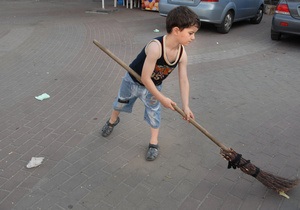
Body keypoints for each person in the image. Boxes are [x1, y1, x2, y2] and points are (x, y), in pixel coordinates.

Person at [101, 6, 201, 161]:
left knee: (154, 113)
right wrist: (163, 99)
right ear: (176, 30)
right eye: (190, 33)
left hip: (153, 88)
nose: (193, 38)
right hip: (132, 81)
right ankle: (112, 121)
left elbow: (184, 80)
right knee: (120, 103)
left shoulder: (182, 53)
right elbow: (146, 78)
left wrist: (186, 105)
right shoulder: (156, 47)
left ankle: (153, 142)